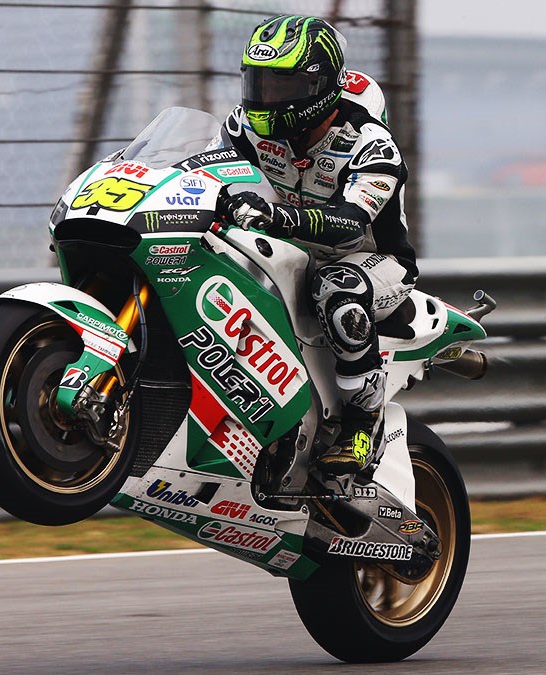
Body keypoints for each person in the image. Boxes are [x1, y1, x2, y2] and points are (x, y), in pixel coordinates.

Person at [217, 15, 417, 475]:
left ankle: (361, 423)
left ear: (321, 87)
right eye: (260, 83)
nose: (266, 98)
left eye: (281, 86)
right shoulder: (244, 127)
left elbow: (350, 224)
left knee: (337, 286)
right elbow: (201, 171)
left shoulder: (370, 143)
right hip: (296, 251)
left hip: (371, 259)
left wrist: (281, 218)